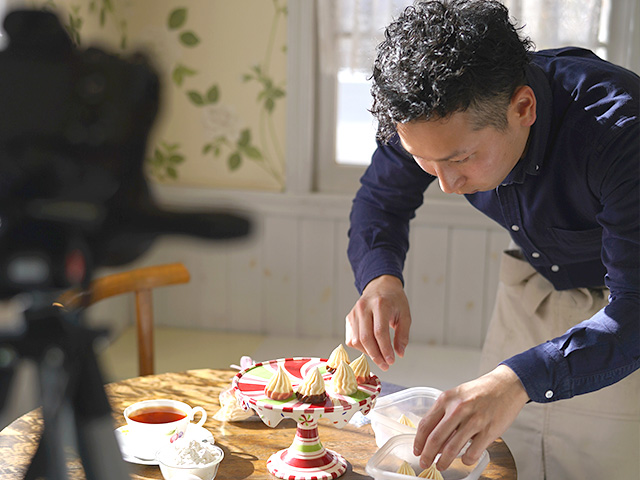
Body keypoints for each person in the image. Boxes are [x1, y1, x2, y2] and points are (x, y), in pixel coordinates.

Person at [345, 1, 640, 478]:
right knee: (501, 458)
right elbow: (382, 201)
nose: (445, 184)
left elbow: (637, 308)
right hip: (535, 279)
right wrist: (380, 280)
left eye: (462, 159)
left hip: (625, 306)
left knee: (606, 465)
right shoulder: (425, 115)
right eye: (425, 161)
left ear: (523, 107)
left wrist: (516, 378)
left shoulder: (620, 132)